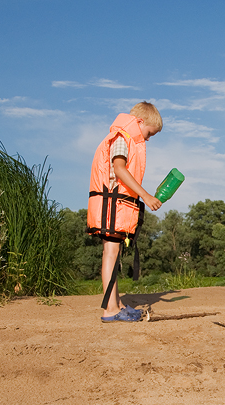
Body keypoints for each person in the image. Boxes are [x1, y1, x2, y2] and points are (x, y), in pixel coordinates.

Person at [86, 101, 163, 322]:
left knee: (114, 254)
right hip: (111, 207)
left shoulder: (126, 138)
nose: (147, 139)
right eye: (149, 133)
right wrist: (146, 196)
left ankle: (116, 304)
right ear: (139, 122)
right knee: (110, 254)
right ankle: (109, 309)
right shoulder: (122, 138)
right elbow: (119, 169)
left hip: (116, 207)